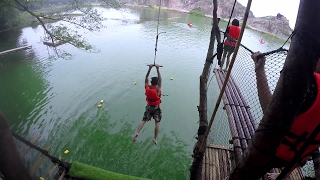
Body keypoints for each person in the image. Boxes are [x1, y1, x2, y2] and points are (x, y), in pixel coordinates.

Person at [251, 52, 320, 180]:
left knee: (247, 173)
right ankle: (283, 175)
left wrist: (259, 70)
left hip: (272, 149)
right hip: (299, 156)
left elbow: (270, 111)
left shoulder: (308, 82)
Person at [132, 64, 162, 145]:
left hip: (149, 107)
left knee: (143, 120)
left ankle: (137, 133)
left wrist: (149, 68)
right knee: (157, 123)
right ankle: (155, 138)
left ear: (151, 82)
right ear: (157, 83)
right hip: (156, 108)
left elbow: (146, 78)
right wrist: (157, 69)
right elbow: (160, 79)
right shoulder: (158, 89)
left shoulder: (147, 87)